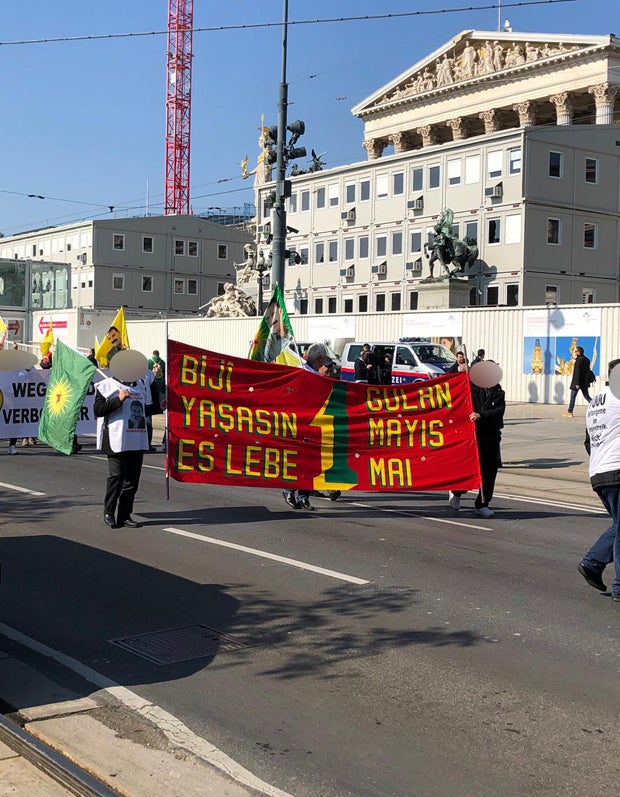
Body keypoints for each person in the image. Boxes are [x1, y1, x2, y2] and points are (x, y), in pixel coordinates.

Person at [94, 368, 164, 529]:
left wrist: (159, 407)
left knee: (132, 481)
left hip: (136, 438)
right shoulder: (107, 385)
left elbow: (143, 408)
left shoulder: (139, 386)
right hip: (115, 438)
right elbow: (98, 410)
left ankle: (125, 515)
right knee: (117, 476)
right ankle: (109, 512)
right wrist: (118, 399)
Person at [578, 358, 620, 602]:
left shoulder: (595, 402)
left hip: (600, 473)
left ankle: (593, 564)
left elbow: (588, 441)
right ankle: (618, 585)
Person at [283, 343, 335, 511]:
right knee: (298, 461)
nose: (323, 365)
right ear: (318, 358)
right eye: (322, 360)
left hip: (315, 424)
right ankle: (289, 490)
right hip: (299, 423)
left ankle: (304, 496)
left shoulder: (317, 375)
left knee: (310, 462)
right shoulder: (301, 371)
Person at [449, 373, 506, 518]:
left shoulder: (498, 392)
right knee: (468, 468)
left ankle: (482, 504)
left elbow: (499, 411)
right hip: (474, 437)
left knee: (489, 472)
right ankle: (456, 492)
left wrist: (481, 415)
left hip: (492, 437)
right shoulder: (470, 390)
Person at [564, 345, 592, 417]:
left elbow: (577, 372)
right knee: (586, 396)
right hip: (584, 382)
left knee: (573, 396)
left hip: (578, 382)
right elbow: (587, 371)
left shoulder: (579, 360)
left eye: (576, 351)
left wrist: (577, 383)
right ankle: (596, 406)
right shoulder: (587, 360)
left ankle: (570, 412)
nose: (575, 352)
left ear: (579, 352)